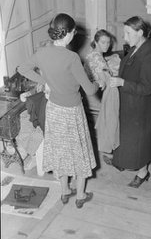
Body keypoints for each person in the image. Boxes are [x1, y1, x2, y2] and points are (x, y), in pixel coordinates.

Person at [18, 13, 99, 209]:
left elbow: (22, 68)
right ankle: (80, 195)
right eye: (73, 32)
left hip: (54, 109)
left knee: (60, 151)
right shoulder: (72, 58)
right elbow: (89, 90)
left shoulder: (43, 52)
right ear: (69, 34)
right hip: (72, 112)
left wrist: (45, 81)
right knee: (79, 152)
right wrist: (98, 82)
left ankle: (64, 191)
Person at [109, 16, 151, 188]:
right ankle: (122, 160)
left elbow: (147, 88)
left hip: (138, 106)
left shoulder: (148, 55)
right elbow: (128, 66)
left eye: (128, 33)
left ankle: (143, 172)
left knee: (138, 140)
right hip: (128, 100)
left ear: (140, 32)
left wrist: (122, 82)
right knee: (125, 135)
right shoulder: (136, 48)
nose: (125, 37)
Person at [83, 29, 120, 119]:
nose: (106, 45)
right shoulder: (97, 57)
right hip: (98, 95)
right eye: (103, 42)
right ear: (96, 42)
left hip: (89, 93)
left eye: (108, 42)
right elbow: (106, 80)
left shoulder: (92, 54)